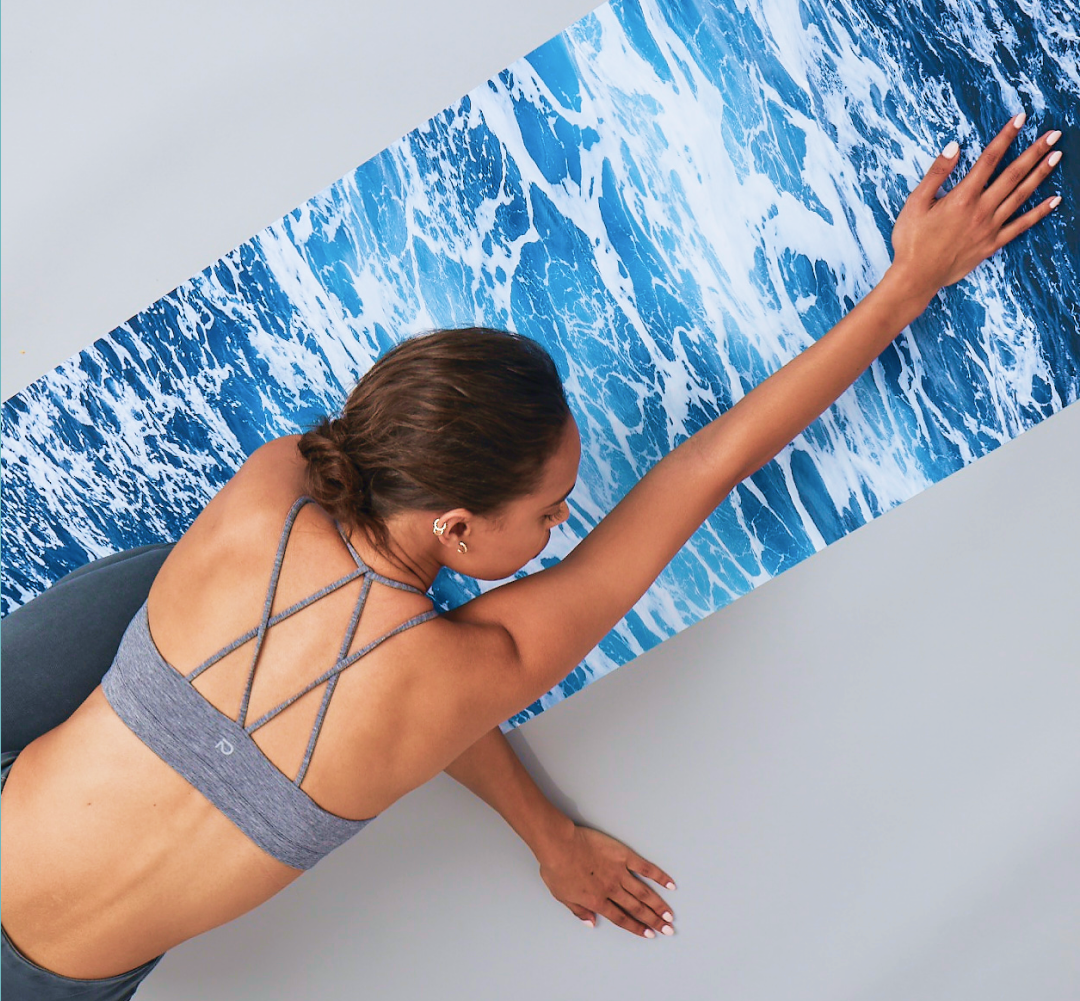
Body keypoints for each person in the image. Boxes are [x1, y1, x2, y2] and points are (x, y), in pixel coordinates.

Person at [0, 114, 1063, 998]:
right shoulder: (472, 669)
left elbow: (381, 662)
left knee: (168, 587)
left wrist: (549, 835)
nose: (563, 527)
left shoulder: (271, 486)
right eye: (552, 512)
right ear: (456, 528)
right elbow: (701, 475)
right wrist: (903, 290)